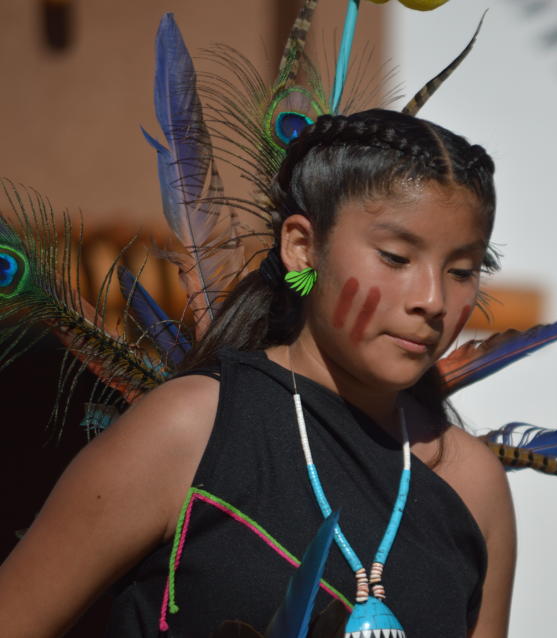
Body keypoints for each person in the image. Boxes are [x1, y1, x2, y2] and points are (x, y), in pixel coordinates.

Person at [0, 108, 516, 637]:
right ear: (301, 247)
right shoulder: (191, 430)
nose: (432, 300)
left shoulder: (472, 485)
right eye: (395, 257)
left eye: (461, 271)